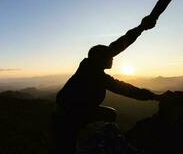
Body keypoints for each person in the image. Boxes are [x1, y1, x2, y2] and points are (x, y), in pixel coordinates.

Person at [49, 20, 161, 154]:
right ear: (99, 58)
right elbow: (124, 89)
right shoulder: (94, 74)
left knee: (109, 114)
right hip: (68, 117)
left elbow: (120, 44)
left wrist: (141, 28)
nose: (112, 58)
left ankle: (101, 141)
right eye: (108, 56)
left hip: (76, 111)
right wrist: (154, 96)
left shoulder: (91, 64)